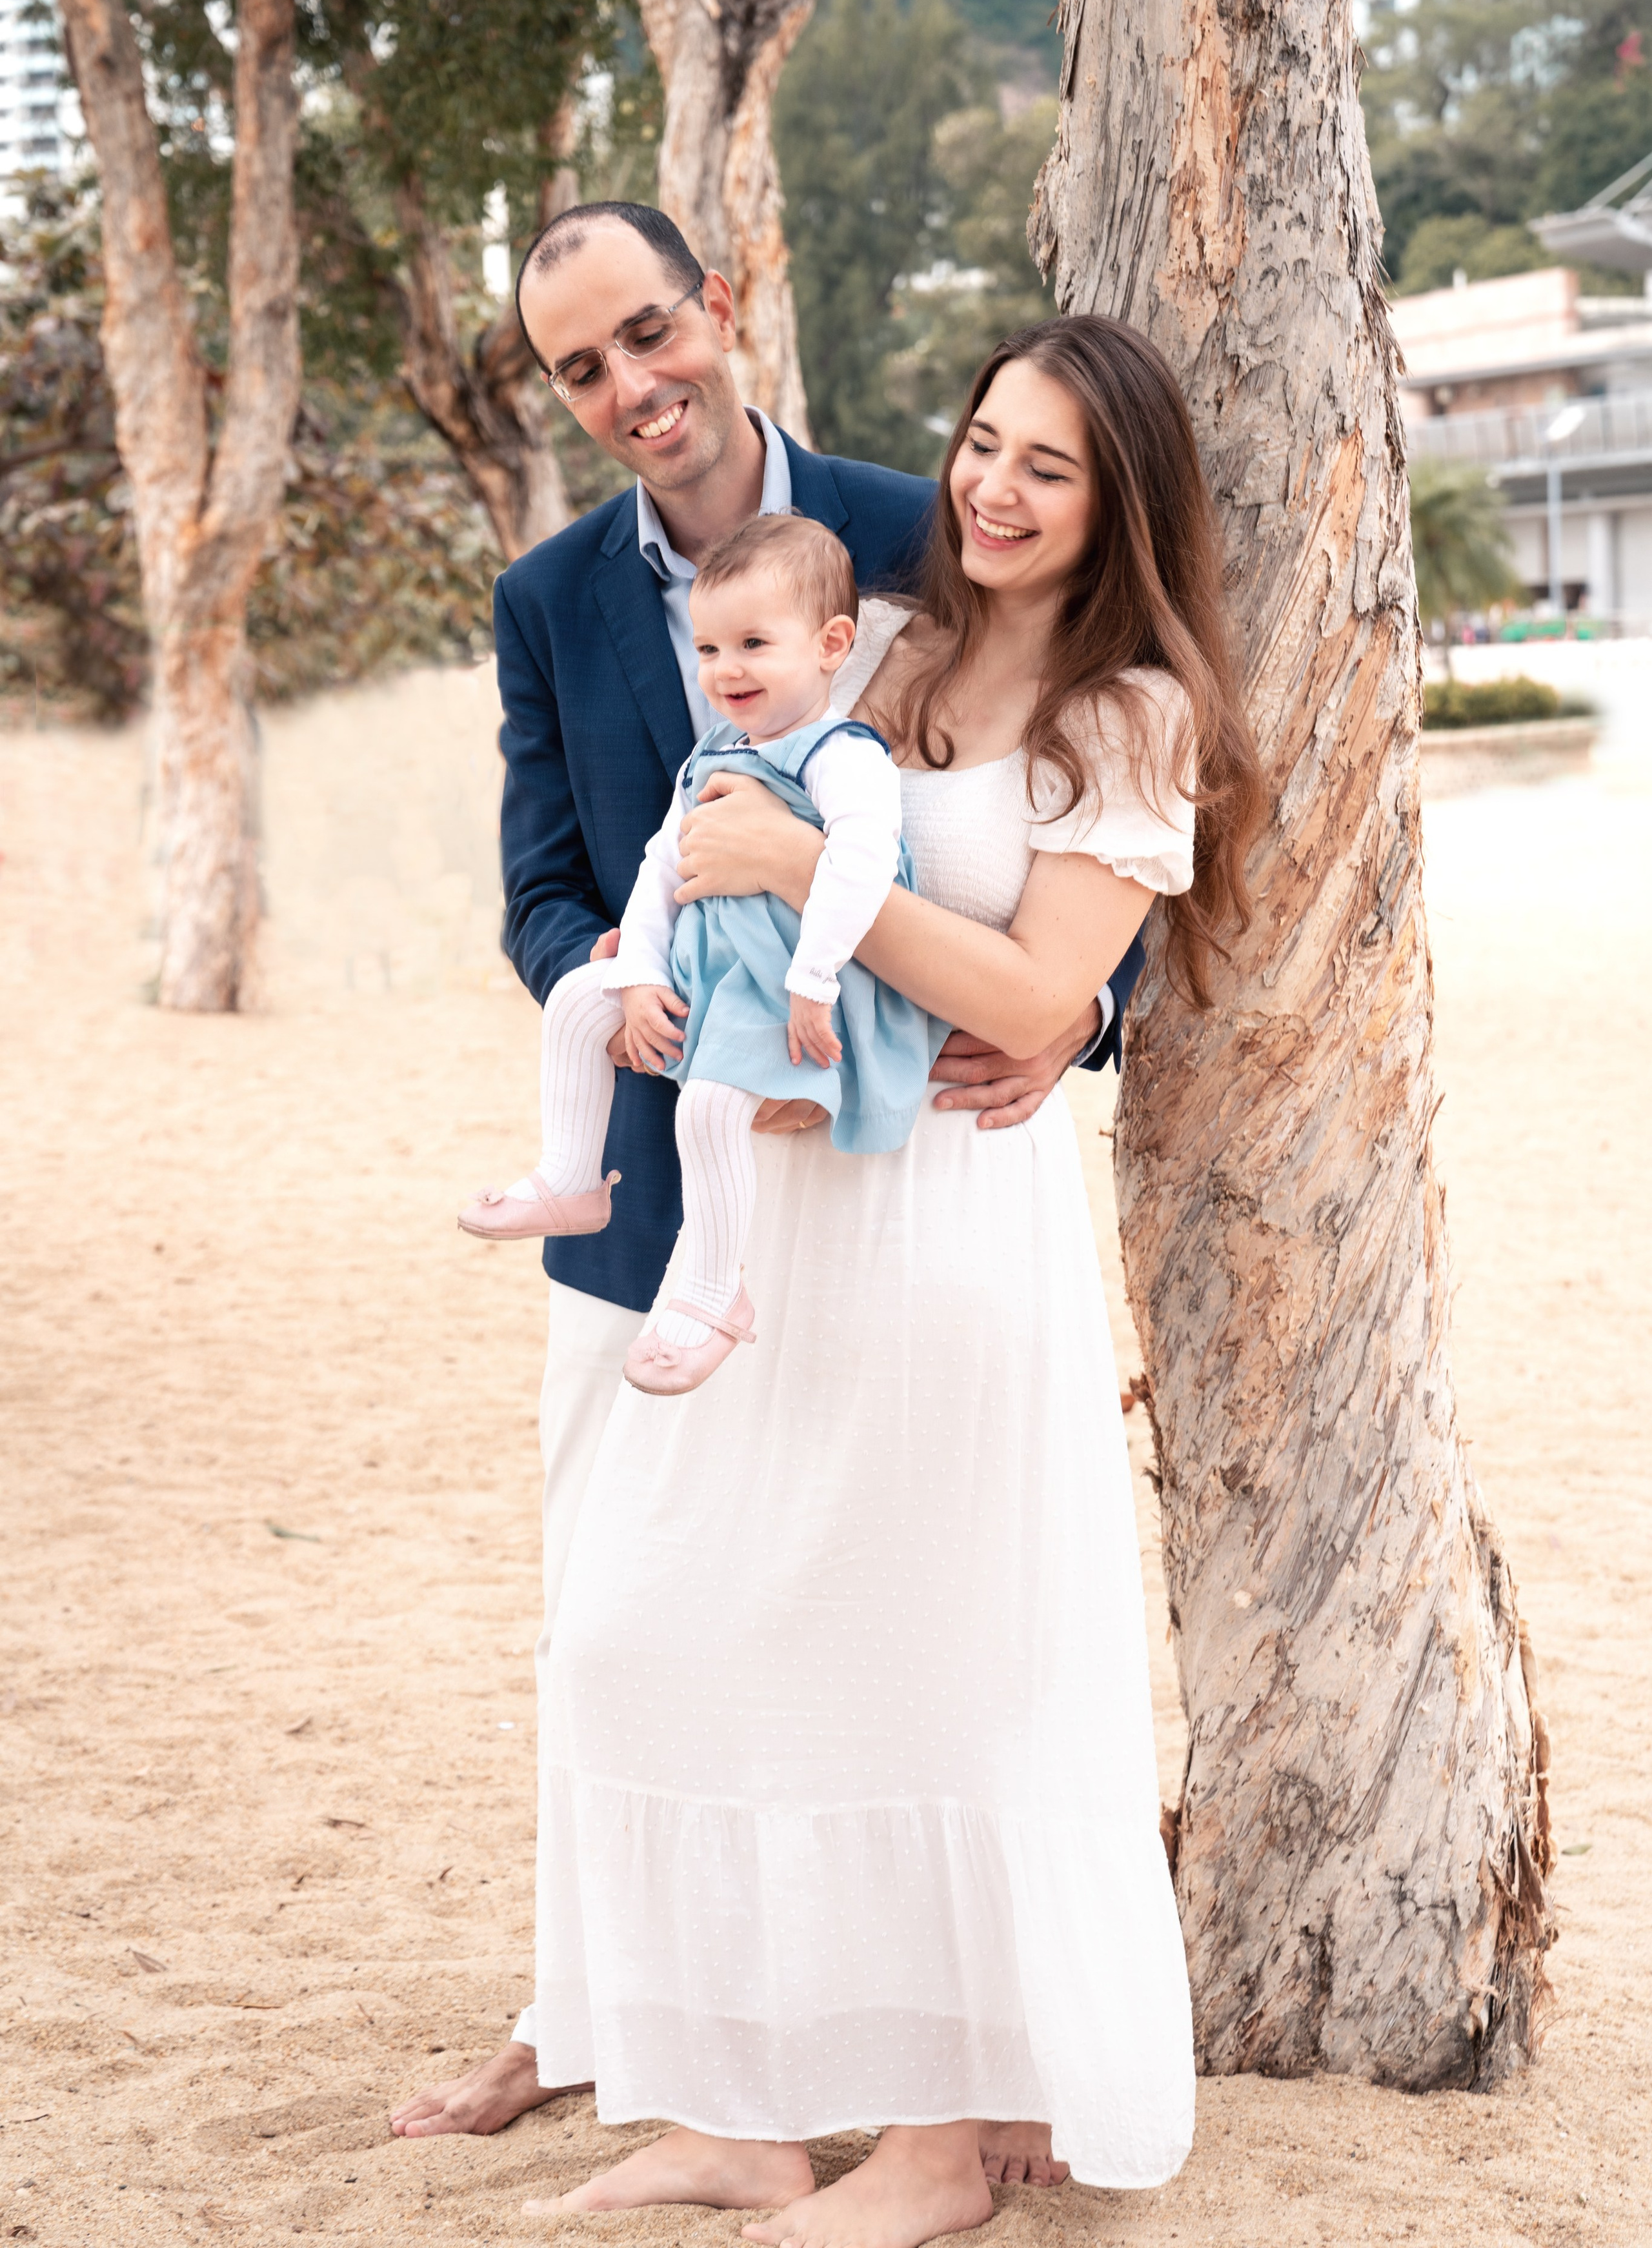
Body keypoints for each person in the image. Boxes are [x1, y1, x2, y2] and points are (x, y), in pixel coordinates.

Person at [390, 203, 1144, 2188]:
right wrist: (603, 998)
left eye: (651, 332)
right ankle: (634, 2039)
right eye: (581, 366)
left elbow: (1059, 818)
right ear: (556, 394)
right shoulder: (549, 596)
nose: (635, 385)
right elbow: (544, 876)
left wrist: (1079, 1023)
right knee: (627, 1627)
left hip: (906, 1174)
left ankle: (918, 2085)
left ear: (717, 307)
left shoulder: (930, 531)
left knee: (887, 1637)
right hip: (663, 1194)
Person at [502, 312, 1265, 2243]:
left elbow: (1038, 996)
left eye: (1049, 467)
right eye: (985, 444)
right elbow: (766, 874)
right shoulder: (898, 643)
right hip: (794, 1213)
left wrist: (793, 873)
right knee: (649, 1623)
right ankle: (732, 2111)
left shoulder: (1132, 714)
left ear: (1120, 509)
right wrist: (705, 991)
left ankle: (935, 2150)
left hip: (949, 1240)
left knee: (934, 1671)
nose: (995, 489)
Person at [458, 510, 942, 1399]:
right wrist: (639, 975)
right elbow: (660, 865)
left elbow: (865, 866)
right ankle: (572, 1177)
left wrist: (812, 980)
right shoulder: (715, 750)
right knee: (579, 1000)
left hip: (804, 975)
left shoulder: (843, 755)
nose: (727, 671)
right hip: (713, 959)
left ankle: (717, 1291)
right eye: (710, 648)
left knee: (711, 1107)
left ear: (833, 643)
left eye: (754, 644)